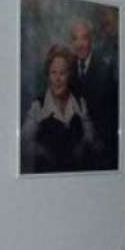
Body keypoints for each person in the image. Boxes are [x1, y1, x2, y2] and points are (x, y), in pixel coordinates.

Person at [21, 45, 94, 173]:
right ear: (48, 75)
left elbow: (91, 141)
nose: (57, 79)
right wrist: (43, 153)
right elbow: (24, 144)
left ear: (69, 75)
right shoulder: (38, 107)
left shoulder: (80, 104)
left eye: (62, 73)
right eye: (53, 73)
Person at [67, 18, 118, 169]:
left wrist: (100, 144)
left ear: (91, 41)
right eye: (75, 39)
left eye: (84, 38)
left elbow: (112, 114)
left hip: (102, 152)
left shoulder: (106, 69)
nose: (80, 44)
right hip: (75, 152)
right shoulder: (68, 69)